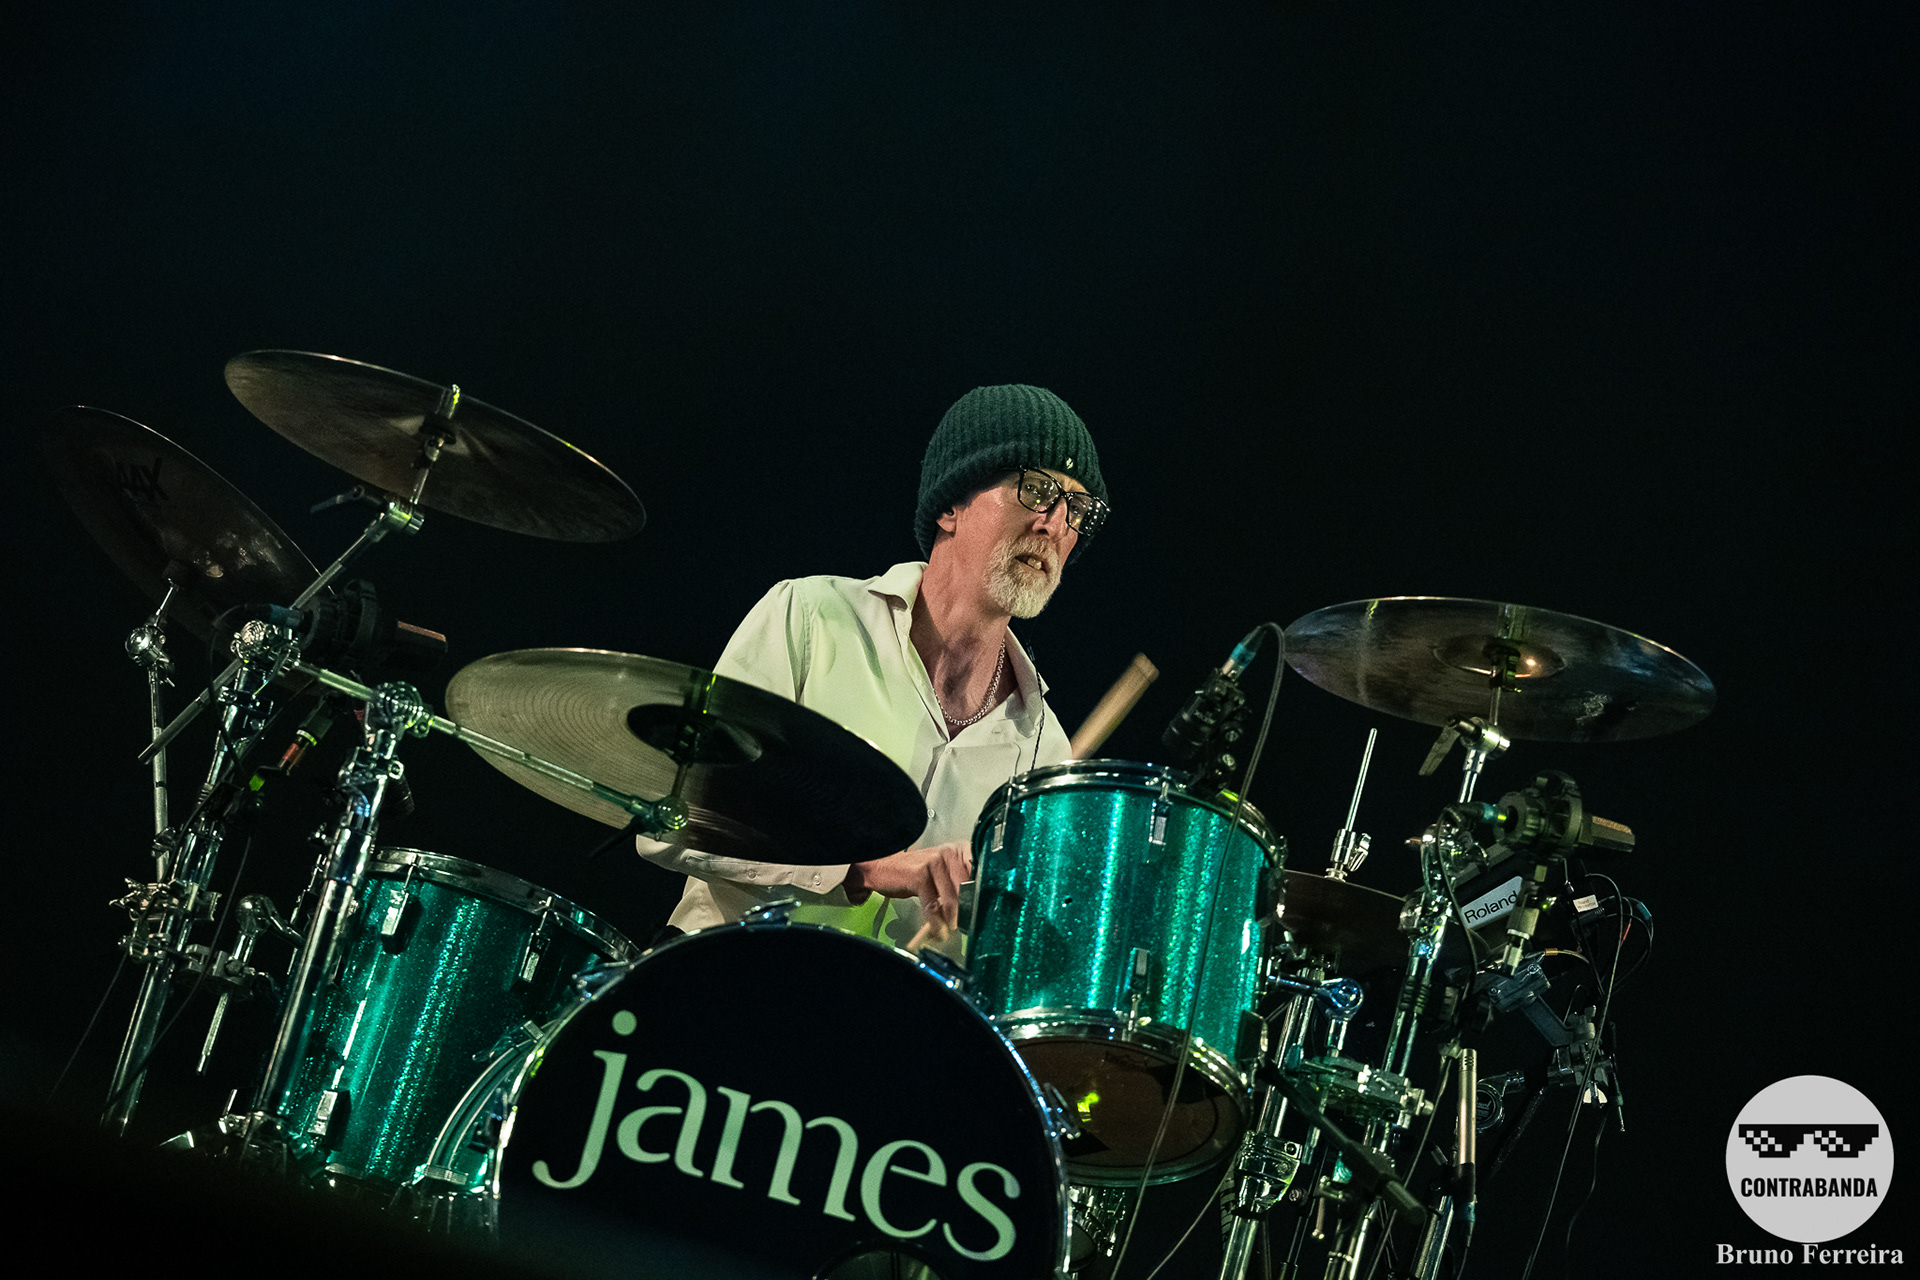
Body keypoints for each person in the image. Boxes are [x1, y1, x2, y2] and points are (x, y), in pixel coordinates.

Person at [638, 384, 1110, 954]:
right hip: (722, 977)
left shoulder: (1045, 752)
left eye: (1078, 510)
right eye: (1037, 491)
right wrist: (858, 870)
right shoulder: (809, 618)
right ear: (950, 507)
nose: (1055, 525)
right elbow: (670, 823)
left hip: (881, 1011)